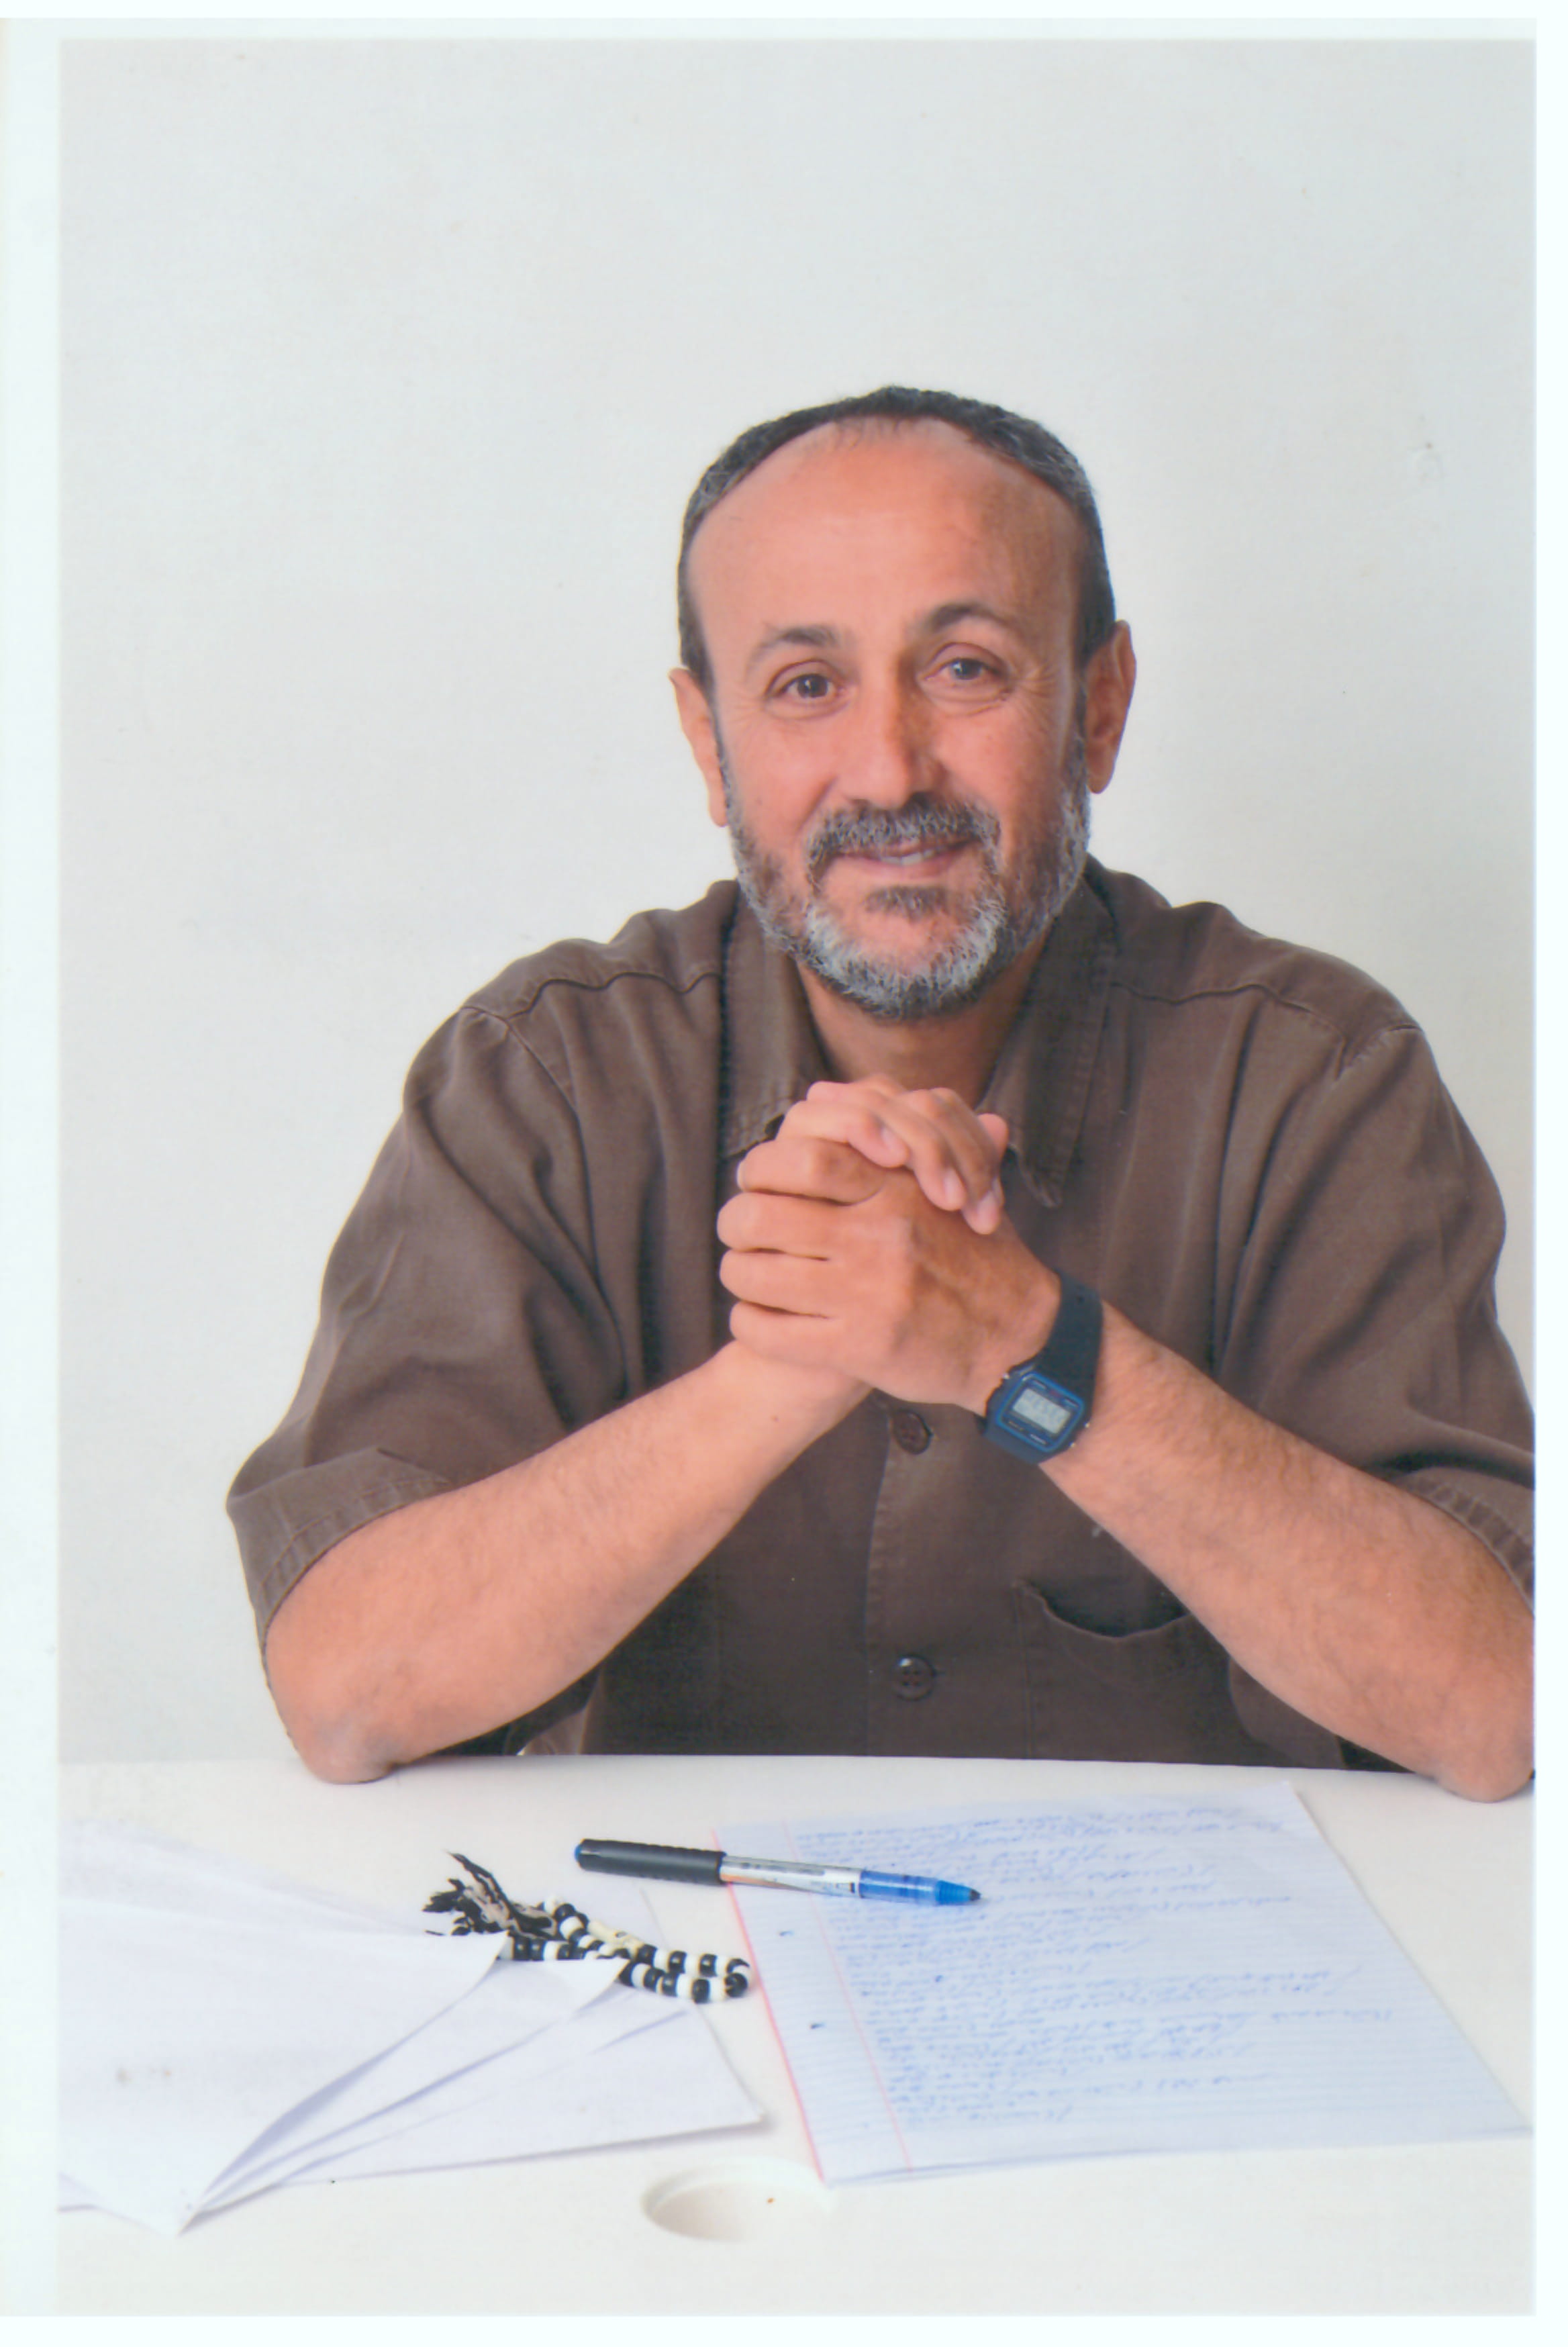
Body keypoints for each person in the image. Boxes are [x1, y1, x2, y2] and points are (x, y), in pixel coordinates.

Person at [230, 387, 1533, 1799]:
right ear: (706, 739)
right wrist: (796, 1359)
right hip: (682, 1979)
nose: (890, 768)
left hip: (1178, 1984)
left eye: (965, 668)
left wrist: (1032, 1352)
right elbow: (349, 1692)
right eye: (805, 685)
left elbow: (1491, 1709)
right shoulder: (546, 1077)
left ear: (1097, 707)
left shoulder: (1313, 1072)